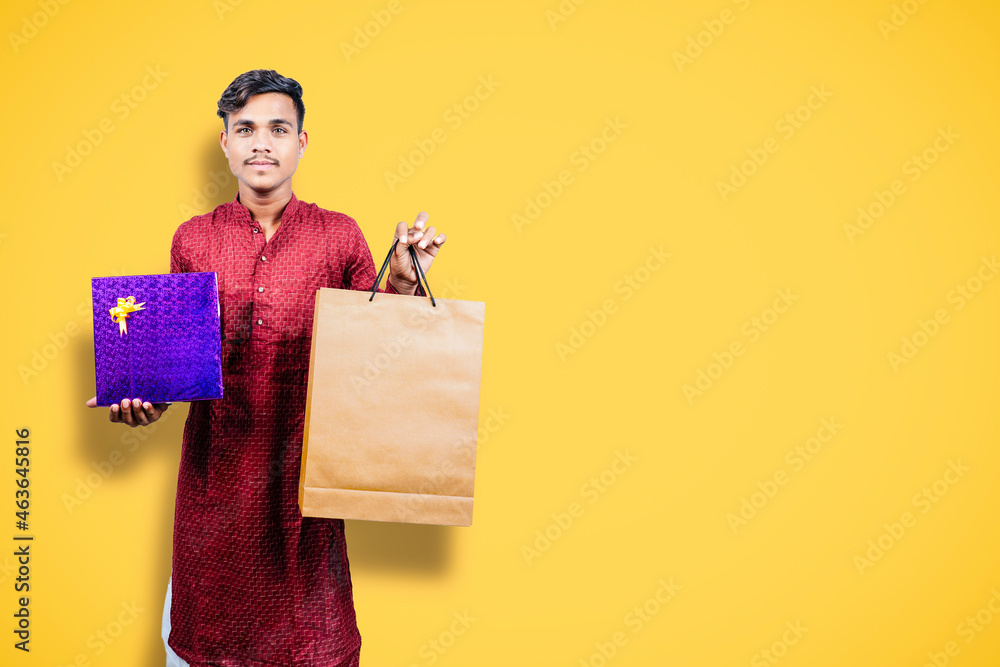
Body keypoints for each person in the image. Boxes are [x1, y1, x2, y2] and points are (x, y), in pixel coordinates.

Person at [86, 69, 446, 666]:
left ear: (301, 143)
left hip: (305, 500)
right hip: (214, 495)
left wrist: (405, 283)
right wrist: (141, 401)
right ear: (224, 141)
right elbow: (176, 365)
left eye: (278, 129)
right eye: (246, 128)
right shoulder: (192, 241)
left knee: (313, 646)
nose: (262, 143)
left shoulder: (340, 237)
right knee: (208, 645)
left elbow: (381, 356)